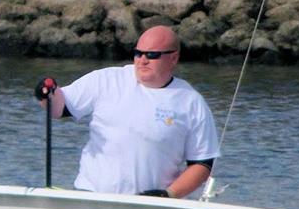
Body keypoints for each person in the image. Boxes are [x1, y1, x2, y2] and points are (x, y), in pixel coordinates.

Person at [35, 25, 219, 198]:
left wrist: (169, 194)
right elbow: (60, 108)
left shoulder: (191, 102)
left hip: (150, 207)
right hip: (91, 198)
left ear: (173, 58)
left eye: (152, 54)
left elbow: (202, 164)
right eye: (138, 53)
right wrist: (46, 94)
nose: (142, 60)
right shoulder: (107, 80)